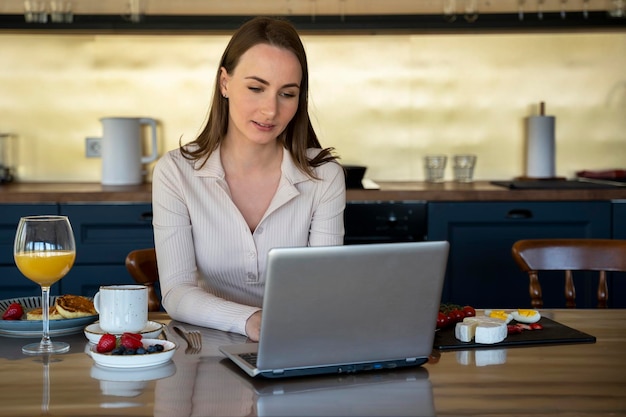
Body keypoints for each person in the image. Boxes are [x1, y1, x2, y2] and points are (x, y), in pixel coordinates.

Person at [151, 16, 346, 342]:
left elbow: (321, 289)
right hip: (205, 355)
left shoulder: (324, 176)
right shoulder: (176, 172)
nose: (270, 110)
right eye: (256, 88)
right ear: (224, 83)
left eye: (287, 93)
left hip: (296, 343)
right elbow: (176, 291)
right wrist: (252, 321)